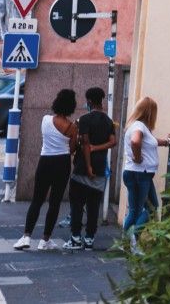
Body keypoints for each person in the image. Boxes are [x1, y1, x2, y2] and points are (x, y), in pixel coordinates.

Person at [15, 88, 78, 250]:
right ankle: (45, 240)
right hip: (62, 162)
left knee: (37, 200)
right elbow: (72, 149)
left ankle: (26, 236)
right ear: (71, 106)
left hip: (45, 161)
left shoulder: (45, 119)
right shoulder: (72, 127)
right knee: (54, 202)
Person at [66, 87, 116, 250]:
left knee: (77, 205)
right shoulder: (108, 121)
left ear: (89, 101)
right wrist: (98, 148)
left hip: (82, 168)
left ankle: (75, 238)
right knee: (93, 206)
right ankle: (89, 239)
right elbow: (113, 142)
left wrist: (88, 166)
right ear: (101, 100)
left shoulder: (84, 119)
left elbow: (85, 143)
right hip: (100, 168)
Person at [121, 97, 161, 242]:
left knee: (136, 210)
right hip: (140, 174)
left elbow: (144, 142)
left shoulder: (136, 125)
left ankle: (126, 242)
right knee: (148, 208)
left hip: (136, 173)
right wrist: (137, 158)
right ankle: (133, 238)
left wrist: (167, 142)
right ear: (150, 112)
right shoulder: (139, 126)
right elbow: (136, 141)